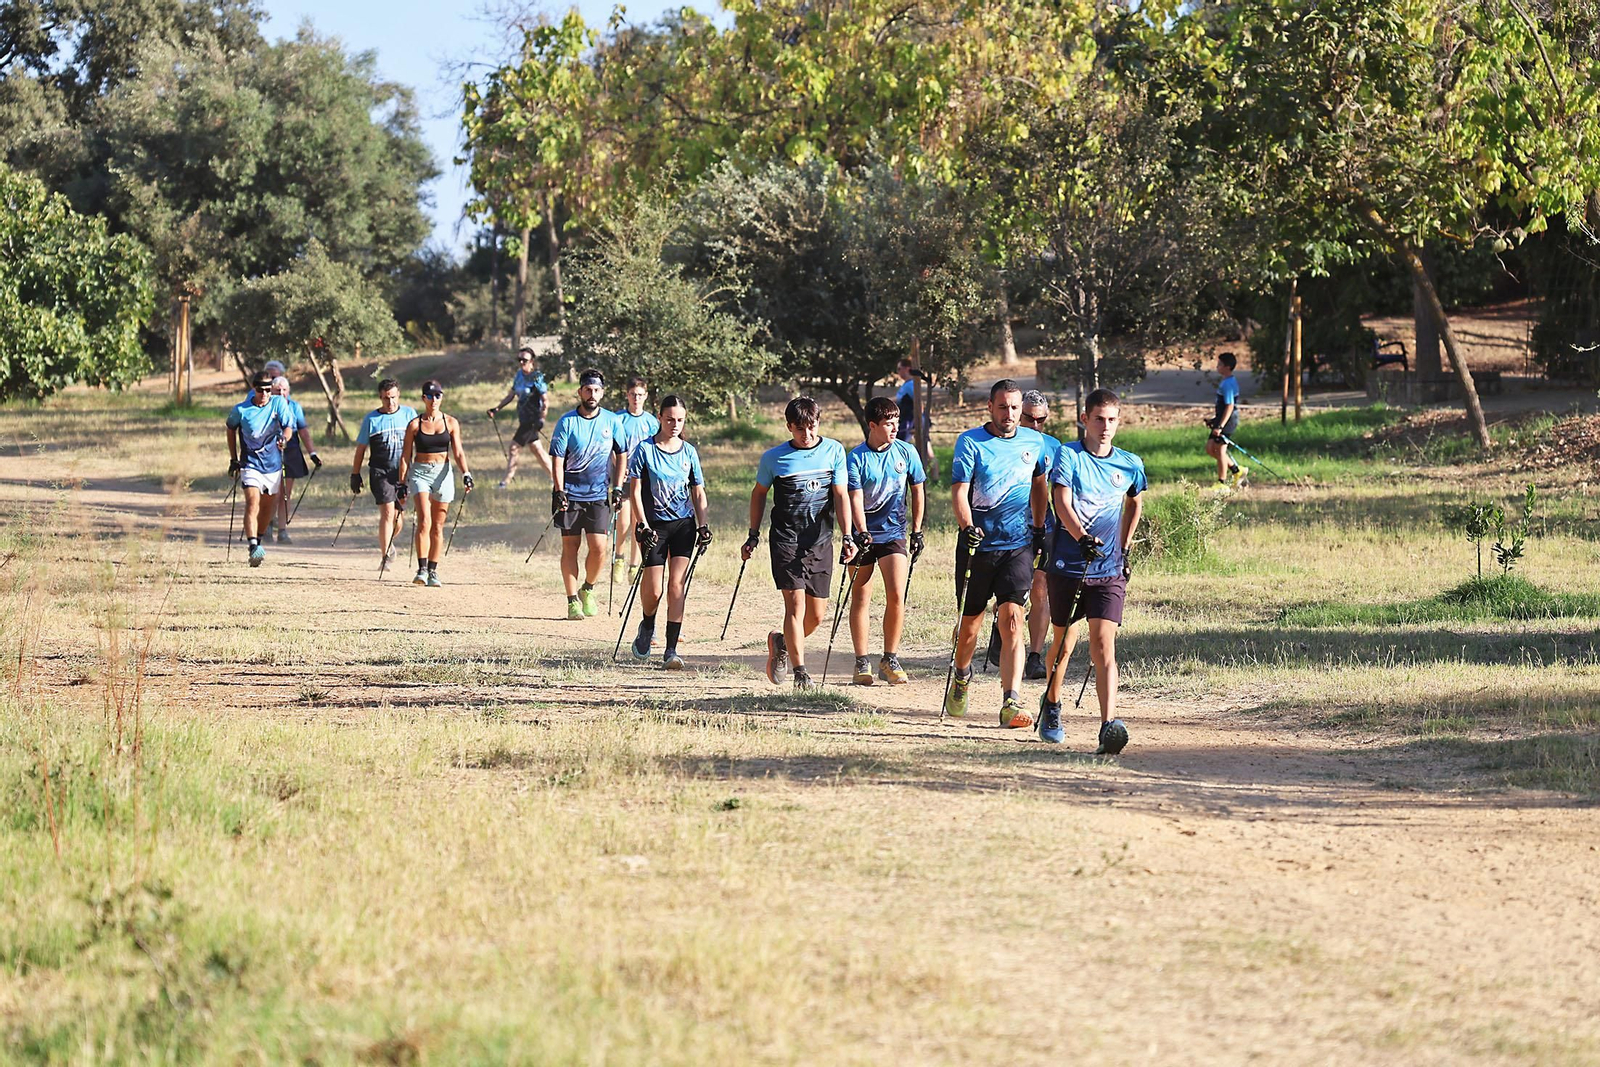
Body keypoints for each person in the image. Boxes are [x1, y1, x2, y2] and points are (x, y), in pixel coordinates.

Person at [1037, 388, 1147, 754]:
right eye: (1099, 419)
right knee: (1064, 644)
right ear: (1084, 419)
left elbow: (1135, 502)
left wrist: (1125, 545)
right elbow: (1061, 500)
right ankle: (1052, 703)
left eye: (1112, 420)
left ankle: (1108, 726)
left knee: (1103, 646)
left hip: (1109, 569)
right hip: (1068, 565)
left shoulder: (1130, 463)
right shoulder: (1068, 454)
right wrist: (1080, 536)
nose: (1105, 426)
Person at [945, 379, 1051, 727]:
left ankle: (1011, 701)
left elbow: (1039, 485)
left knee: (1012, 621)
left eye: (1015, 408)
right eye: (1003, 407)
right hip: (978, 547)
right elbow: (960, 492)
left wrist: (1040, 529)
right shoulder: (971, 442)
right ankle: (962, 675)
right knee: (971, 627)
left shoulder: (1034, 442)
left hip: (1017, 547)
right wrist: (967, 527)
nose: (1009, 414)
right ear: (990, 407)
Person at [743, 396, 858, 690]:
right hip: (786, 540)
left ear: (818, 422)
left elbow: (842, 496)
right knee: (794, 605)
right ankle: (801, 673)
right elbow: (759, 494)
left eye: (811, 427)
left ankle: (781, 642)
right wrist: (753, 534)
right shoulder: (773, 458)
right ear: (788, 427)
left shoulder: (833, 451)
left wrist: (848, 536)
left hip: (820, 541)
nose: (806, 435)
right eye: (799, 429)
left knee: (816, 615)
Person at [625, 395, 711, 670]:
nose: (675, 424)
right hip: (654, 527)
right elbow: (635, 491)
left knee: (676, 585)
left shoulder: (689, 452)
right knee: (655, 589)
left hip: (683, 525)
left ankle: (671, 650)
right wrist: (643, 525)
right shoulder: (644, 450)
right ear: (659, 418)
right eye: (670, 419)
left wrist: (703, 524)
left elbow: (697, 491)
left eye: (680, 420)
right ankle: (647, 624)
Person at [845, 396, 925, 685]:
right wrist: (861, 531)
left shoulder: (907, 452)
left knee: (896, 594)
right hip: (862, 537)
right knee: (862, 597)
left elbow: (918, 490)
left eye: (896, 423)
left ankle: (890, 658)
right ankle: (861, 661)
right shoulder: (855, 458)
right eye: (888, 424)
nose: (895, 429)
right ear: (872, 425)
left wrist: (916, 531)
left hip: (894, 534)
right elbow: (854, 499)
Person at [550, 368, 623, 620]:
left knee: (599, 548)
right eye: (587, 390)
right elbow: (557, 460)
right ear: (580, 391)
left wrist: (619, 486)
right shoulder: (567, 422)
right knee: (570, 547)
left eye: (596, 390)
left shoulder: (613, 421)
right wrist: (559, 491)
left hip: (599, 495)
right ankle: (571, 601)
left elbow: (621, 454)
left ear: (602, 393)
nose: (592, 394)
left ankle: (587, 589)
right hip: (569, 494)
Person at [398, 379, 474, 587]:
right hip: (420, 473)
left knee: (438, 526)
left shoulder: (450, 422)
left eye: (438, 396)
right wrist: (401, 482)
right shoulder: (415, 425)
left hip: (443, 473)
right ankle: (421, 569)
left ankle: (433, 570)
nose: (434, 400)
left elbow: (458, 451)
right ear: (424, 398)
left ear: (442, 397)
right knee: (424, 520)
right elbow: (406, 456)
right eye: (430, 396)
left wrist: (465, 473)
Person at [225, 371, 299, 567]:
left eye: (268, 390)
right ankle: (252, 547)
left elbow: (288, 427)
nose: (265, 394)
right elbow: (230, 429)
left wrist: (284, 438)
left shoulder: (278, 403)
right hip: (250, 464)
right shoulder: (241, 410)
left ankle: (258, 540)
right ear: (253, 389)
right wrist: (234, 458)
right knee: (252, 502)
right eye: (261, 390)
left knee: (267, 508)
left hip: (272, 465)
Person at [351, 378, 417, 564]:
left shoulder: (409, 414)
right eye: (386, 398)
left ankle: (388, 542)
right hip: (380, 472)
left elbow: (418, 441)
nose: (391, 402)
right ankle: (385, 556)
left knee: (398, 518)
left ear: (399, 395)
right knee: (387, 513)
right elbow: (361, 449)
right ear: (380, 397)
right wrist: (355, 474)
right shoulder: (371, 419)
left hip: (402, 473)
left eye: (394, 397)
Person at [612, 376, 659, 586]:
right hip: (623, 477)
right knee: (622, 522)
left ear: (645, 396)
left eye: (640, 395)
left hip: (642, 478)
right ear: (627, 395)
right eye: (632, 395)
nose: (636, 399)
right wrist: (618, 469)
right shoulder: (618, 418)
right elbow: (611, 448)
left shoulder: (651, 422)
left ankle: (634, 563)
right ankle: (619, 558)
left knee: (637, 522)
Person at [1022, 390, 1055, 680]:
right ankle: (1001, 625)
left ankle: (1034, 655)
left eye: (1040, 420)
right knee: (1015, 589)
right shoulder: (1000, 442)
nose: (1034, 426)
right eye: (1028, 419)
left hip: (1043, 525)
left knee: (1040, 588)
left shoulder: (1053, 447)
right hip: (1004, 526)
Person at [489, 347, 553, 487]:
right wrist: (497, 408)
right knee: (537, 450)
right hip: (523, 419)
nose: (521, 362)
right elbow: (511, 395)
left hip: (532, 420)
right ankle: (556, 478)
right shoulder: (519, 375)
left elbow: (545, 401)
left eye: (524, 360)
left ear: (532, 361)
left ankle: (505, 482)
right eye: (520, 359)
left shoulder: (537, 377)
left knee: (514, 447)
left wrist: (542, 419)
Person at [270, 375, 320, 543]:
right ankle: (267, 525)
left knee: (285, 493)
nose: (281, 393)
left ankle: (282, 530)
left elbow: (303, 431)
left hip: (290, 450)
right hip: (268, 451)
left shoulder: (295, 407)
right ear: (271, 391)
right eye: (278, 390)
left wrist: (312, 453)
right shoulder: (266, 407)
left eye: (284, 390)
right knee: (271, 492)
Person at [1205, 351, 1245, 488]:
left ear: (1227, 367)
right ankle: (1237, 470)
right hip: (1221, 419)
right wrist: (1214, 420)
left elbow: (1229, 406)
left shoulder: (1228, 384)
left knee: (1220, 450)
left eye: (1220, 364)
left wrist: (1220, 426)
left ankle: (1221, 483)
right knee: (1210, 448)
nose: (1217, 366)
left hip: (1228, 422)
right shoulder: (1226, 382)